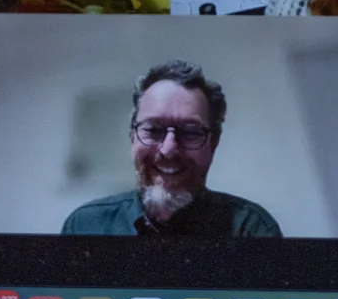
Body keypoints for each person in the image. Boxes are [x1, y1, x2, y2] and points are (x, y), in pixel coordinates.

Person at [61, 60, 283, 237]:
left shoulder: (250, 229)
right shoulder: (85, 225)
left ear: (213, 144)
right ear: (132, 138)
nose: (168, 150)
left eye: (190, 132)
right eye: (153, 129)